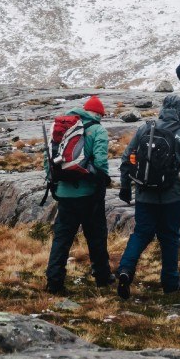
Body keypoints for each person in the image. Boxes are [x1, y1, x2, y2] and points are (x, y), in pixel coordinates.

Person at [116, 94, 180, 299]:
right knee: (170, 237)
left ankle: (125, 270)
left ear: (162, 109)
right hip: (170, 197)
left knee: (140, 234)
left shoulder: (146, 128)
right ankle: (170, 282)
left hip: (144, 194)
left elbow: (126, 158)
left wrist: (125, 187)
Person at [44, 95, 113, 294]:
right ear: (98, 114)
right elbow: (100, 162)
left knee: (62, 239)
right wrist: (102, 181)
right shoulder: (97, 130)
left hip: (65, 194)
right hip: (89, 196)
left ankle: (54, 282)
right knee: (97, 237)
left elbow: (47, 159)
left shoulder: (61, 128)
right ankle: (102, 277)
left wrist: (54, 183)